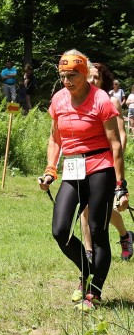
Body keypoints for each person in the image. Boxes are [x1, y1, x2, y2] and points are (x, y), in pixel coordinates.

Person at [38, 49, 128, 311]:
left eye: (73, 76)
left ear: (85, 74)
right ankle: (87, 270)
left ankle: (95, 291)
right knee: (60, 230)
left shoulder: (101, 99)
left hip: (100, 166)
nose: (67, 81)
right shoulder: (59, 99)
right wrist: (50, 169)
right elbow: (56, 138)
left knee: (98, 232)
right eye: (63, 76)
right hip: (73, 167)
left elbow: (116, 145)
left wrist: (120, 186)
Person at [80, 62, 133, 261]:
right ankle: (89, 252)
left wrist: (116, 159)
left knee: (102, 207)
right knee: (85, 207)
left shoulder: (112, 101)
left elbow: (121, 134)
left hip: (107, 161)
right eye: (90, 77)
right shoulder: (80, 100)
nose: (93, 81)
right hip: (84, 161)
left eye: (97, 78)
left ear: (103, 81)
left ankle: (125, 235)